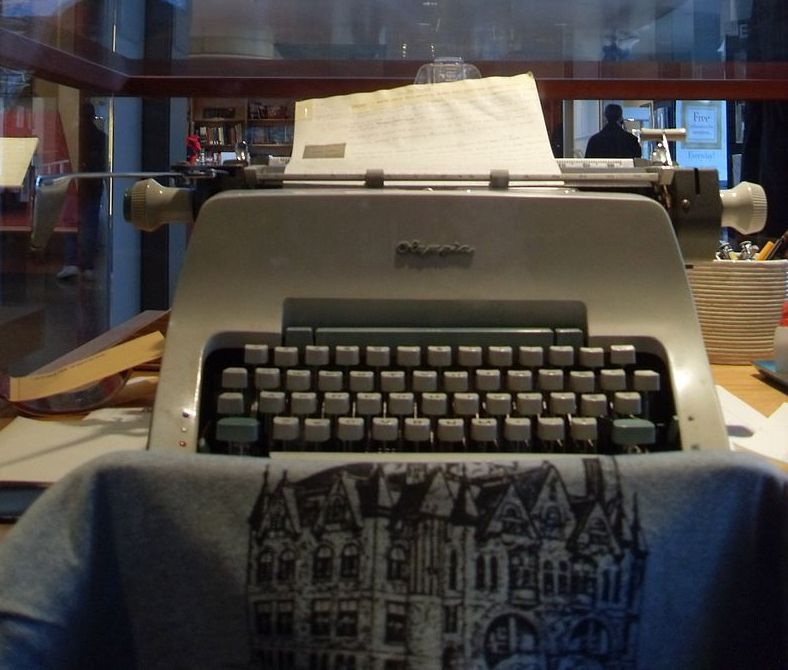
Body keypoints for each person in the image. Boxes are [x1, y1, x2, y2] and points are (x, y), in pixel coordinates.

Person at [56, 102, 107, 281]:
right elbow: (101, 164)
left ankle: (71, 263)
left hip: (74, 185)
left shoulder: (74, 135)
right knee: (89, 226)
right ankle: (87, 265)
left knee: (71, 224)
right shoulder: (101, 137)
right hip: (93, 186)